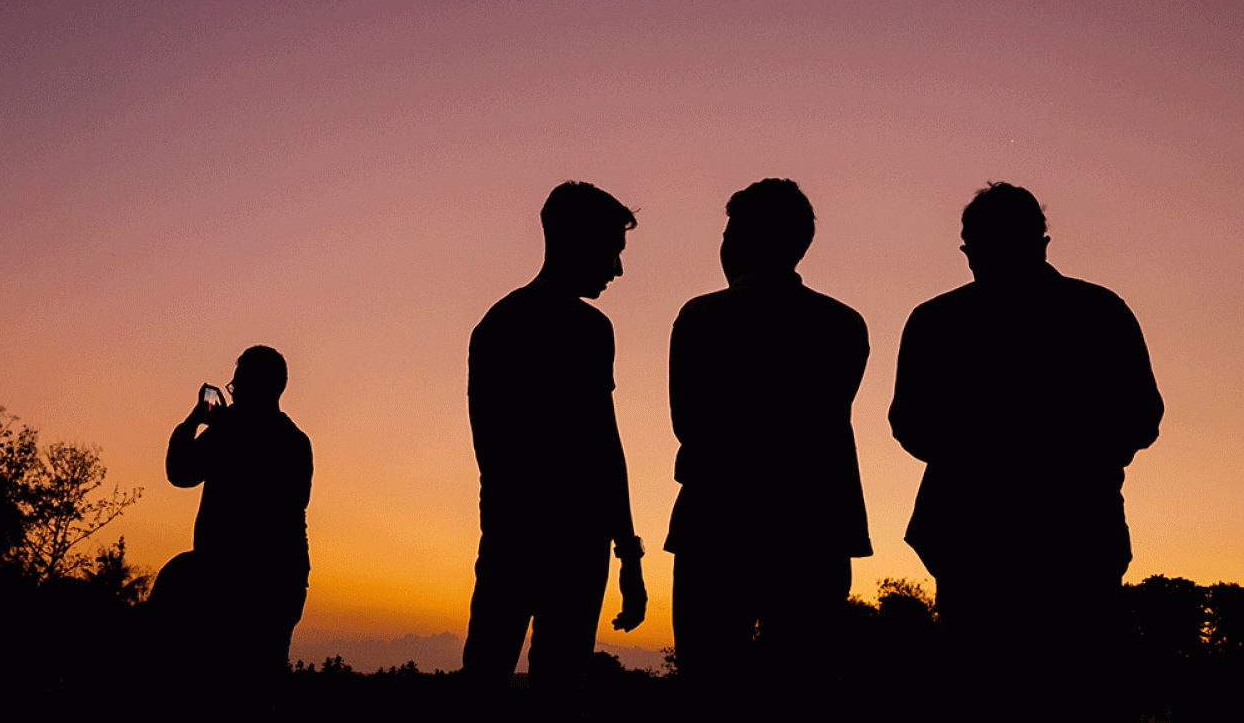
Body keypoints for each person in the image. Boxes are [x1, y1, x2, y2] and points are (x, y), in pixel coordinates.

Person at [889, 183, 1163, 722]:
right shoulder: (1100, 312)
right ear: (1042, 241)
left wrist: (980, 452)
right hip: (1072, 534)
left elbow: (910, 425)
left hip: (986, 539)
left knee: (988, 689)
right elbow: (1143, 419)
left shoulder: (936, 321)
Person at [664, 178, 871, 710]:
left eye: (731, 232)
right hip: (814, 528)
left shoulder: (702, 318)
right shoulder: (844, 325)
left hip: (717, 525)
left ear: (748, 240)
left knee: (708, 687)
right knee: (803, 687)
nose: (723, 245)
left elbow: (689, 422)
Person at [463, 181, 647, 702]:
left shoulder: (498, 324)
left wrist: (624, 553)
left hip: (515, 533)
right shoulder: (587, 330)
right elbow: (602, 446)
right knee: (551, 690)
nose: (617, 269)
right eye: (612, 250)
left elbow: (495, 452)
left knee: (488, 679)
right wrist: (627, 554)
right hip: (558, 540)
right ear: (575, 242)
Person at [162, 345, 313, 711]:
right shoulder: (297, 441)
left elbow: (179, 473)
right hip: (283, 582)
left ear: (249, 385)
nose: (233, 390)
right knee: (263, 682)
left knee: (213, 683)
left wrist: (195, 420)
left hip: (224, 582)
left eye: (237, 383)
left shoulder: (228, 432)